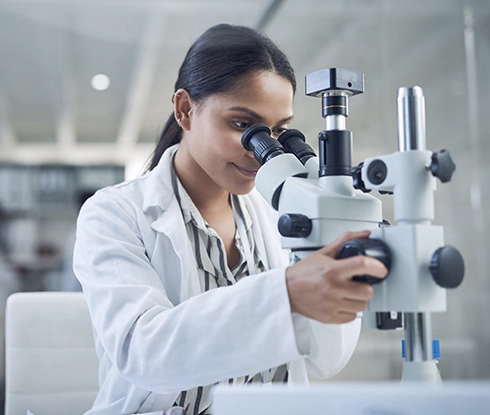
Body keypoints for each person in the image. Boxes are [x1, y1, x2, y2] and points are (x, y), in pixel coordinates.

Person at [73, 23, 387, 415]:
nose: (261, 151)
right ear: (185, 109)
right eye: (243, 125)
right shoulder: (113, 214)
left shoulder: (279, 213)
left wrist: (335, 278)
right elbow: (144, 351)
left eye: (278, 132)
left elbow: (324, 360)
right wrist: (285, 293)